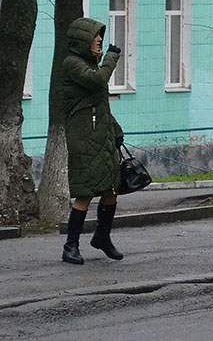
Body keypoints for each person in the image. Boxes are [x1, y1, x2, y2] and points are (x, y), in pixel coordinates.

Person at [61, 17, 124, 265]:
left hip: (102, 139)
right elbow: (97, 81)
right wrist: (111, 58)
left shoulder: (89, 66)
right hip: (84, 140)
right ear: (82, 40)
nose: (99, 40)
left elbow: (101, 106)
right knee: (85, 194)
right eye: (95, 36)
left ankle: (102, 237)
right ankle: (70, 246)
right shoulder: (72, 64)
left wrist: (116, 132)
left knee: (111, 192)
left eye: (100, 36)